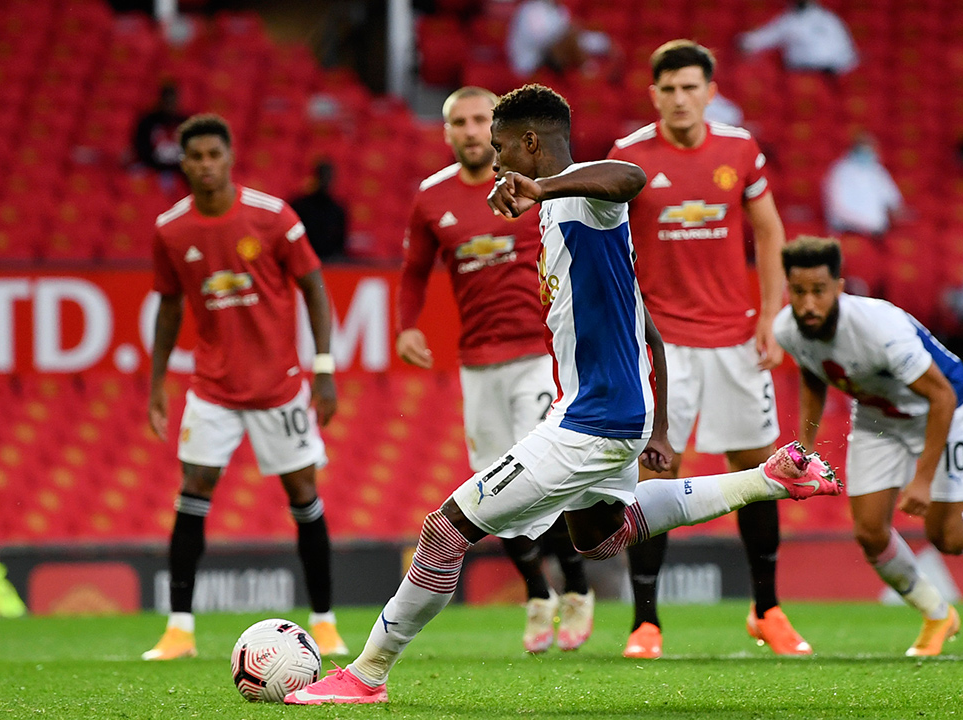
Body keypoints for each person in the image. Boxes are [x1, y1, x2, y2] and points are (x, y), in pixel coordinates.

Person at [285, 84, 841, 705]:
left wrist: (545, 187)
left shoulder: (580, 198)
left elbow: (630, 176)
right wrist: (655, 424)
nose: (495, 164)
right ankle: (769, 478)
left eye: (501, 149)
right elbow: (647, 327)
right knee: (599, 535)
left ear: (529, 143)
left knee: (445, 529)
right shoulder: (556, 210)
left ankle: (366, 675)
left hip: (594, 421)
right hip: (610, 413)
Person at [608, 40, 803, 658]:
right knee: (655, 474)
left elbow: (770, 229)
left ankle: (767, 609)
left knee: (761, 470)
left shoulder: (740, 149)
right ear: (654, 95)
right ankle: (646, 622)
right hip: (663, 345)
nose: (680, 98)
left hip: (735, 339)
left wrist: (770, 315)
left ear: (710, 91)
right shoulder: (629, 156)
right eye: (668, 89)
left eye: (691, 87)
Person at [397, 86, 594, 654]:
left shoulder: (532, 185)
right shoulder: (431, 198)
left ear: (497, 125)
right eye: (458, 121)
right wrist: (407, 324)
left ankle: (577, 587)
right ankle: (538, 593)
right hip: (478, 363)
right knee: (492, 484)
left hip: (539, 354)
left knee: (542, 472)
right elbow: (413, 271)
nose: (470, 129)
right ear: (446, 132)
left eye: (480, 118)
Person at [143, 114, 347, 660]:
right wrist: (158, 379)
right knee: (195, 486)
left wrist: (322, 366)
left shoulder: (273, 216)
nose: (206, 165)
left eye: (214, 154)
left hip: (279, 386)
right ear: (183, 163)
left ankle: (324, 621)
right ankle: (179, 630)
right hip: (212, 387)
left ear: (230, 157)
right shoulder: (172, 229)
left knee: (302, 491)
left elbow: (315, 287)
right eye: (195, 157)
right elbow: (168, 305)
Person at [775, 235, 963, 656]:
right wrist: (802, 447)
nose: (808, 304)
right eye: (799, 291)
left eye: (819, 292)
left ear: (839, 288)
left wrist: (922, 479)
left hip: (944, 411)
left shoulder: (880, 331)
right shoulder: (787, 328)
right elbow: (813, 374)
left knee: (946, 537)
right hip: (879, 418)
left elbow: (942, 397)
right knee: (869, 532)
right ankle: (937, 614)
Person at [738, 1, 858, 75]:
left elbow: (847, 52)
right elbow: (761, 39)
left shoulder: (829, 19)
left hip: (829, 73)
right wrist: (746, 42)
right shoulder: (789, 20)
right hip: (799, 72)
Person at [823, 131, 903, 239]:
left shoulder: (877, 171)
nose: (868, 152)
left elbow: (893, 200)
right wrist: (866, 224)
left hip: (877, 232)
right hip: (847, 231)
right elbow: (837, 209)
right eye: (864, 149)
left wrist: (893, 213)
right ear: (854, 149)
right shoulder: (839, 171)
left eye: (871, 148)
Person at [507, 0, 611, 77]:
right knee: (568, 40)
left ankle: (587, 69)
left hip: (552, 63)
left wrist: (604, 43)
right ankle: (586, 68)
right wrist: (571, 31)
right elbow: (549, 41)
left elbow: (577, 38)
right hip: (530, 67)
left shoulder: (559, 9)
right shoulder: (532, 9)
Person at [132, 82, 189, 188]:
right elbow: (142, 149)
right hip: (152, 167)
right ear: (161, 101)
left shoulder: (186, 123)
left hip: (179, 170)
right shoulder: (147, 122)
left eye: (172, 101)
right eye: (167, 101)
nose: (170, 105)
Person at [290, 160, 348, 261]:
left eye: (328, 177)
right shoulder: (300, 206)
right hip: (303, 260)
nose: (325, 181)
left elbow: (340, 243)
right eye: (322, 176)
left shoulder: (337, 209)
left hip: (329, 263)